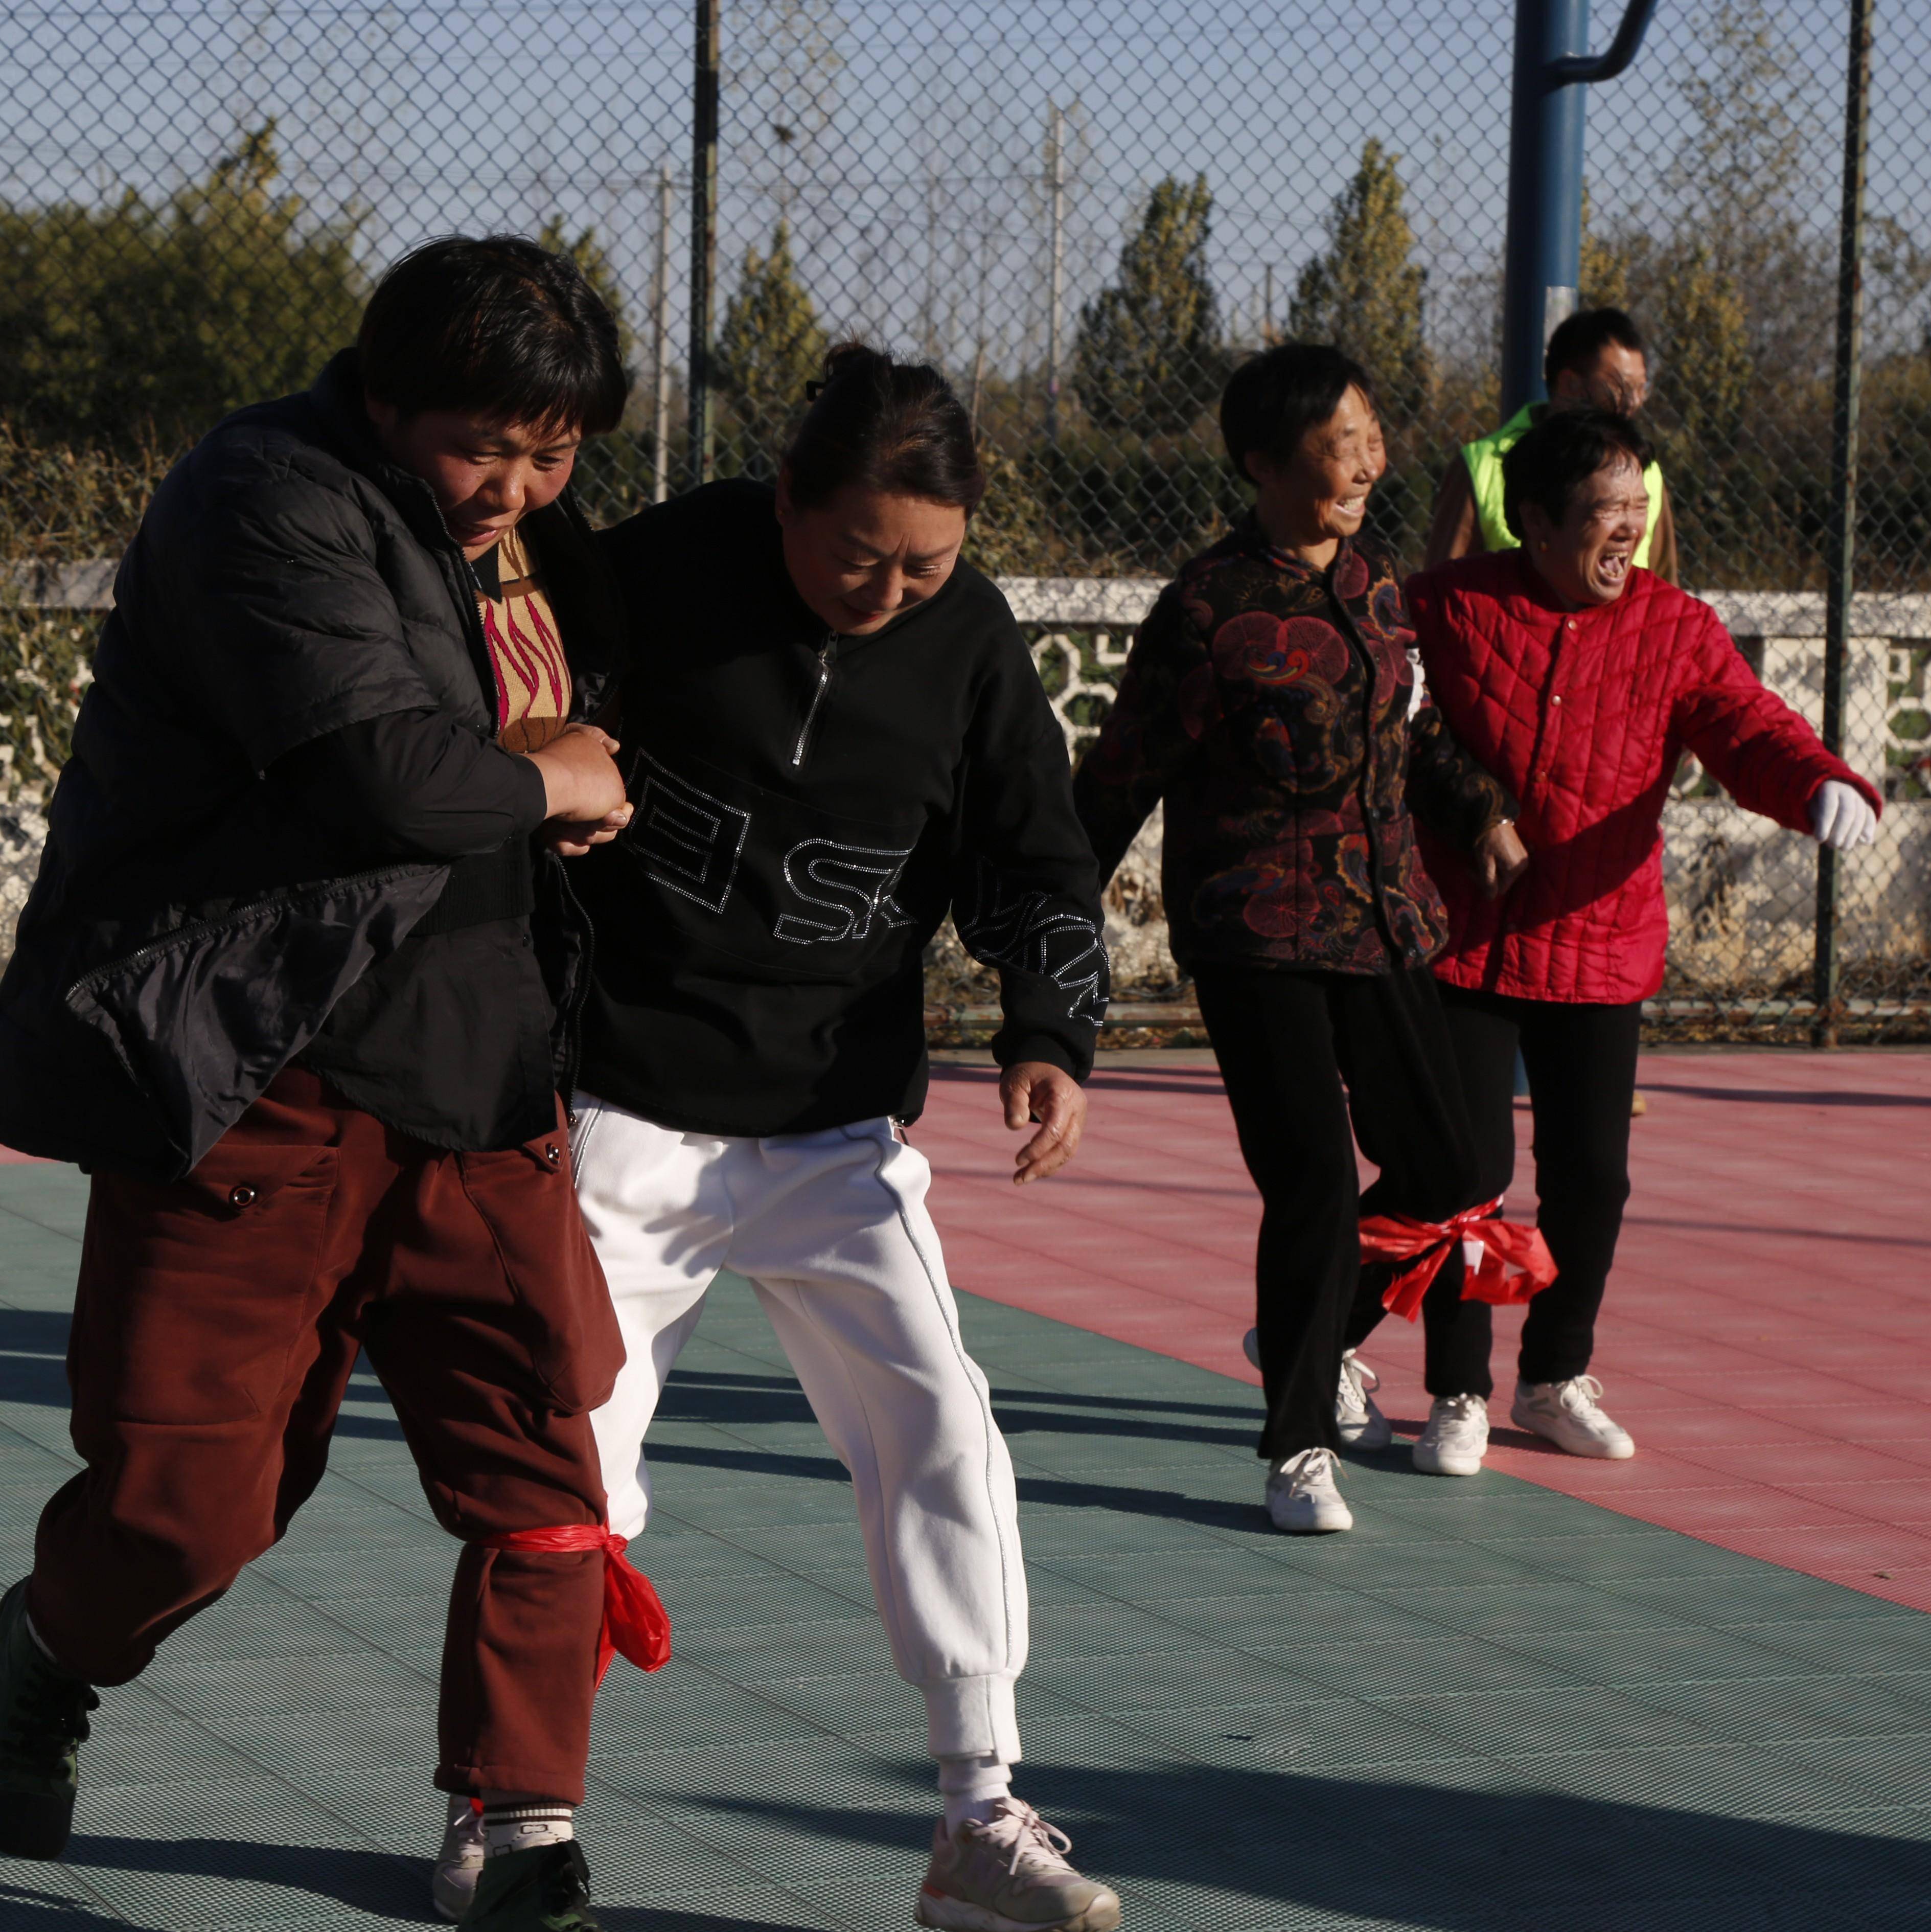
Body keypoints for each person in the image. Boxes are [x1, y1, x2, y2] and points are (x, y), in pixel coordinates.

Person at [0, 236, 653, 1932]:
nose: (514, 482)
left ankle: (517, 1816)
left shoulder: (540, 541)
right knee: (192, 1506)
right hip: (258, 1068)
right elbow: (380, 766)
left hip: (483, 1067)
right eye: (480, 441)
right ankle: (59, 1635)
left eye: (553, 448)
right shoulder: (262, 497)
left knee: (541, 1469)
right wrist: (552, 770)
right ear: (385, 393)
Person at [524, 345, 1124, 1932]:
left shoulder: (968, 641)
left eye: (927, 559)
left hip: (828, 1126)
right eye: (860, 548)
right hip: (622, 1106)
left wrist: (1048, 1033)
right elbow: (501, 729)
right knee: (567, 1451)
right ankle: (513, 1805)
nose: (891, 585)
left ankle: (976, 1812)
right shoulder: (650, 574)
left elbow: (1033, 860)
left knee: (937, 1420)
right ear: (784, 496)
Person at [1074, 343, 1531, 1537]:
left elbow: (1412, 733)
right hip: (1256, 931)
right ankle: (1294, 1446)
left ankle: (1315, 1330)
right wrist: (1046, 902)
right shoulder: (1207, 605)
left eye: (1373, 435)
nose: (1370, 460)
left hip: (1384, 922)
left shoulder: (1379, 583)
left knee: (1451, 1166)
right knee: (1314, 1184)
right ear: (1264, 463)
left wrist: (1477, 809)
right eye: (1342, 443)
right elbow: (1122, 770)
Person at [1402, 406, 1882, 1479]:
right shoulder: (1445, 607)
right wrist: (1465, 806)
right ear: (1530, 520)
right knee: (1465, 1177)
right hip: (1464, 941)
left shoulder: (1676, 627)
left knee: (1590, 1179)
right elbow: (1397, 720)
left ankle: (1552, 1373)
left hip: (1595, 941)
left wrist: (1816, 781)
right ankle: (1457, 1388)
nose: (1624, 530)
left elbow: (1745, 724)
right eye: (1598, 512)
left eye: (1636, 506)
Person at [1423, 306, 1679, 583]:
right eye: (1621, 386)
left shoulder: (1646, 469)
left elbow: (1664, 584)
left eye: (1642, 388)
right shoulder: (1481, 466)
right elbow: (1440, 592)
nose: (1634, 402)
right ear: (1570, 384)